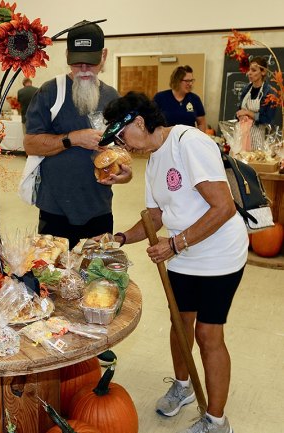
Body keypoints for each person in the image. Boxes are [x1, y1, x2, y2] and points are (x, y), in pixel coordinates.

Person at [99, 91, 248, 433]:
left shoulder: (188, 143)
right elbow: (155, 215)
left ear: (139, 122)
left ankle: (216, 420)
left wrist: (176, 243)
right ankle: (182, 385)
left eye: (123, 136)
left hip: (218, 255)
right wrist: (118, 238)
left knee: (208, 333)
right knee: (180, 323)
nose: (124, 145)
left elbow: (224, 208)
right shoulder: (153, 159)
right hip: (183, 252)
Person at [23, 20, 128, 248]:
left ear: (103, 56)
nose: (83, 70)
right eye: (77, 63)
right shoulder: (50, 92)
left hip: (98, 208)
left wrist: (124, 174)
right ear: (67, 55)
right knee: (52, 276)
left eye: (90, 63)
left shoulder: (112, 98)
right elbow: (30, 144)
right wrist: (73, 138)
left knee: (97, 276)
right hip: (55, 210)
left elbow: (121, 150)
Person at [236, 56, 277, 151]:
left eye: (253, 70)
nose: (249, 73)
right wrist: (240, 115)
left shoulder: (270, 93)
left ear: (263, 72)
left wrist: (248, 113)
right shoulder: (245, 90)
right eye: (249, 70)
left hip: (258, 139)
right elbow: (239, 111)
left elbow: (268, 119)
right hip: (241, 135)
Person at [154, 65, 207, 132]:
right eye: (187, 81)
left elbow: (201, 123)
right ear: (177, 81)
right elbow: (151, 121)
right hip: (166, 140)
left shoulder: (195, 99)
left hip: (188, 140)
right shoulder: (160, 98)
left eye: (191, 80)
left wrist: (199, 138)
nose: (190, 84)